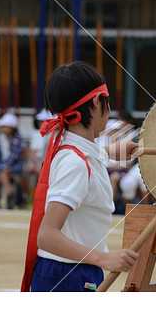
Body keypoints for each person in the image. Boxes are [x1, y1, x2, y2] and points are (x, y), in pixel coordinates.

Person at [21, 61, 139, 292]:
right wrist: (103, 258)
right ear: (97, 102)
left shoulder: (76, 151)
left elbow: (88, 158)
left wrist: (112, 151)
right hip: (67, 273)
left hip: (71, 269)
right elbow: (46, 236)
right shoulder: (75, 162)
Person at [0, 113, 24, 209]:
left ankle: (10, 198)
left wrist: (3, 166)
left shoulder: (18, 138)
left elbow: (14, 156)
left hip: (15, 166)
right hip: (1, 165)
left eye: (4, 126)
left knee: (3, 172)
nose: (2, 128)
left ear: (11, 127)